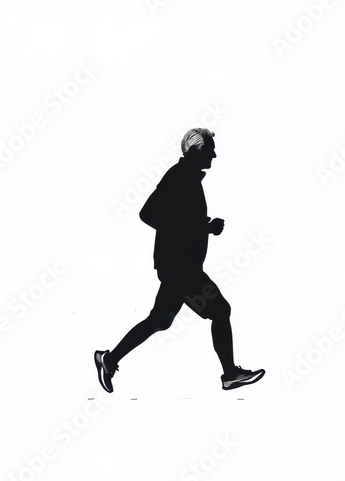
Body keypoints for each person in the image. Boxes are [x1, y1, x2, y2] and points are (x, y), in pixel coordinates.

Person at [95, 128, 265, 392]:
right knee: (220, 310)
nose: (215, 155)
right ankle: (230, 374)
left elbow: (180, 219)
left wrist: (204, 227)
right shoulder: (179, 176)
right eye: (210, 150)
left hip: (179, 267)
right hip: (181, 268)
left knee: (160, 320)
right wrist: (197, 228)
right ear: (197, 151)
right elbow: (147, 213)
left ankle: (109, 359)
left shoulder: (187, 177)